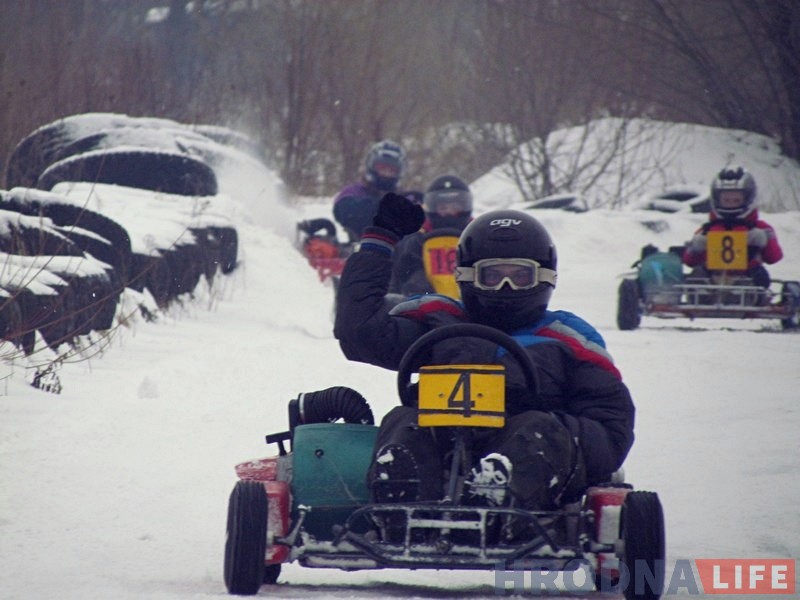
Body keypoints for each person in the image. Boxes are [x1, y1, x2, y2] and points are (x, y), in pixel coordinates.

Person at [334, 193, 635, 516]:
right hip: (440, 455)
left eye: (520, 276)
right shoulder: (438, 319)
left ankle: (497, 493)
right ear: (466, 276)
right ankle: (400, 502)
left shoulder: (569, 338)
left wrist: (553, 427)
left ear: (544, 278)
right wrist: (379, 242)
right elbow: (359, 332)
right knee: (405, 419)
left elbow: (610, 428)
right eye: (492, 276)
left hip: (532, 475)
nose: (505, 287)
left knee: (536, 427)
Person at [683, 166, 783, 288]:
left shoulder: (761, 228)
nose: (731, 204)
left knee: (760, 276)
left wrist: (765, 240)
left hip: (748, 279)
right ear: (717, 200)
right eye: (726, 200)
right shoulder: (707, 230)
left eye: (736, 200)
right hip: (711, 280)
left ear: (747, 199)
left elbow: (774, 258)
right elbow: (688, 261)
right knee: (696, 275)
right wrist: (696, 247)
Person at [389, 174, 473, 297]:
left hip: (472, 301)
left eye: (455, 207)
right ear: (432, 207)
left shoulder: (477, 236)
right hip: (425, 303)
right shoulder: (415, 242)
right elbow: (397, 278)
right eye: (443, 207)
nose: (449, 212)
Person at [333, 139, 408, 242]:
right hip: (362, 245)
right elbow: (345, 211)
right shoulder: (354, 192)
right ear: (371, 166)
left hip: (400, 248)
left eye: (392, 170)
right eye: (382, 168)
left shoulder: (404, 197)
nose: (386, 173)